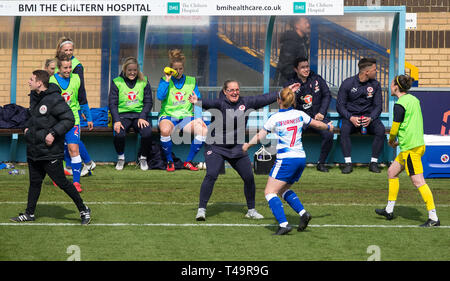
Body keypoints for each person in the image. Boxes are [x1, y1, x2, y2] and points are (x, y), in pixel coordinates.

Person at [243, 86, 334, 235]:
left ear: (279, 100)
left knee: (269, 192)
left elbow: (260, 136)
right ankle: (304, 214)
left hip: (286, 159)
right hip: (300, 158)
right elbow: (317, 124)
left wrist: (247, 145)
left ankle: (284, 224)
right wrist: (328, 127)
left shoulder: (275, 118)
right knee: (283, 189)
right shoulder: (299, 114)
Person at [189, 80, 284, 221]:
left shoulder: (246, 103)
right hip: (216, 147)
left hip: (236, 148)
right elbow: (207, 103)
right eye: (231, 90)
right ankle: (201, 210)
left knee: (249, 177)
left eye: (237, 90)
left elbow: (264, 99)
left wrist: (282, 93)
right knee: (211, 174)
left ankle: (251, 210)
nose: (235, 93)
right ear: (225, 92)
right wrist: (197, 101)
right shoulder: (219, 103)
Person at [10, 70, 91, 225]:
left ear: (39, 82)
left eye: (31, 79)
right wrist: (26, 129)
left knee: (62, 183)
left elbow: (69, 119)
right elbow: (32, 119)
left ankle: (84, 209)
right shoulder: (34, 97)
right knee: (34, 182)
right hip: (34, 150)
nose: (29, 81)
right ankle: (29, 213)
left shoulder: (54, 99)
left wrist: (53, 133)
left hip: (50, 152)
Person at [375, 75, 440, 227]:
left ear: (396, 87)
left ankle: (434, 218)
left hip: (411, 148)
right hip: (413, 146)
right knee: (392, 172)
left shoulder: (399, 104)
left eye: (391, 84)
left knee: (418, 182)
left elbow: (395, 128)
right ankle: (389, 210)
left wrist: (391, 141)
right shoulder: (414, 100)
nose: (390, 86)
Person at [157, 49, 207, 172]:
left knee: (203, 130)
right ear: (171, 69)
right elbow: (160, 97)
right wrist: (167, 80)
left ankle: (188, 162)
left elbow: (197, 101)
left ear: (183, 68)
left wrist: (199, 118)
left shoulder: (191, 81)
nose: (178, 72)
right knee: (164, 130)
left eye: (181, 69)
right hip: (168, 116)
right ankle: (169, 161)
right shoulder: (165, 80)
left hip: (186, 117)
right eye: (176, 69)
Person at [55, 37, 96, 177]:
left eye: (71, 49)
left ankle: (87, 163)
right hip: (57, 112)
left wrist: (87, 114)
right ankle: (72, 166)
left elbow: (81, 92)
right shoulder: (55, 65)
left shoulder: (77, 66)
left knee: (73, 140)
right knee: (66, 141)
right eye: (65, 49)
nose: (68, 52)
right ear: (60, 50)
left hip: (72, 110)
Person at [336, 57, 385, 174]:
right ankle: (348, 163)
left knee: (381, 130)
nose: (376, 71)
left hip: (369, 118)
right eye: (375, 69)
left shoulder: (375, 85)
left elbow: (378, 106)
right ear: (366, 72)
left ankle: (373, 163)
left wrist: (371, 118)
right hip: (352, 118)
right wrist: (350, 117)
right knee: (344, 130)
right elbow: (340, 106)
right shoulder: (348, 83)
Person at [284, 57, 333, 172]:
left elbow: (327, 95)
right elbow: (285, 101)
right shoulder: (291, 83)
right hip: (300, 120)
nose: (306, 69)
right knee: (291, 135)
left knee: (329, 134)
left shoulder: (317, 79)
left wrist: (321, 112)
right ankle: (292, 163)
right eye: (303, 67)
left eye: (307, 67)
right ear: (296, 69)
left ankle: (321, 163)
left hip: (317, 118)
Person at [108, 57, 153, 171]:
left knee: (147, 132)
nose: (132, 73)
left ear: (137, 70)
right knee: (119, 134)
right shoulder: (116, 82)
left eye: (134, 70)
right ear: (124, 69)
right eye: (129, 70)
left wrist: (143, 117)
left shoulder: (144, 81)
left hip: (139, 116)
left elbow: (148, 102)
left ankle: (143, 158)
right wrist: (117, 120)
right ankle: (121, 158)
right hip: (122, 116)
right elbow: (112, 104)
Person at [49, 54, 85, 192]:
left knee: (73, 149)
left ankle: (76, 182)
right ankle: (57, 177)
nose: (68, 70)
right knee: (56, 151)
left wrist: (87, 115)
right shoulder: (52, 80)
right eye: (65, 67)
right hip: (56, 121)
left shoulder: (76, 78)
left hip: (73, 119)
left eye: (70, 67)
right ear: (59, 68)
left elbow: (82, 97)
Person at [275, 16, 311, 86]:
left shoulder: (302, 41)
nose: (308, 25)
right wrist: (301, 76)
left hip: (295, 83)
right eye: (305, 23)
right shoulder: (290, 42)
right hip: (287, 86)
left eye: (308, 23)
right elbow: (286, 67)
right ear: (297, 25)